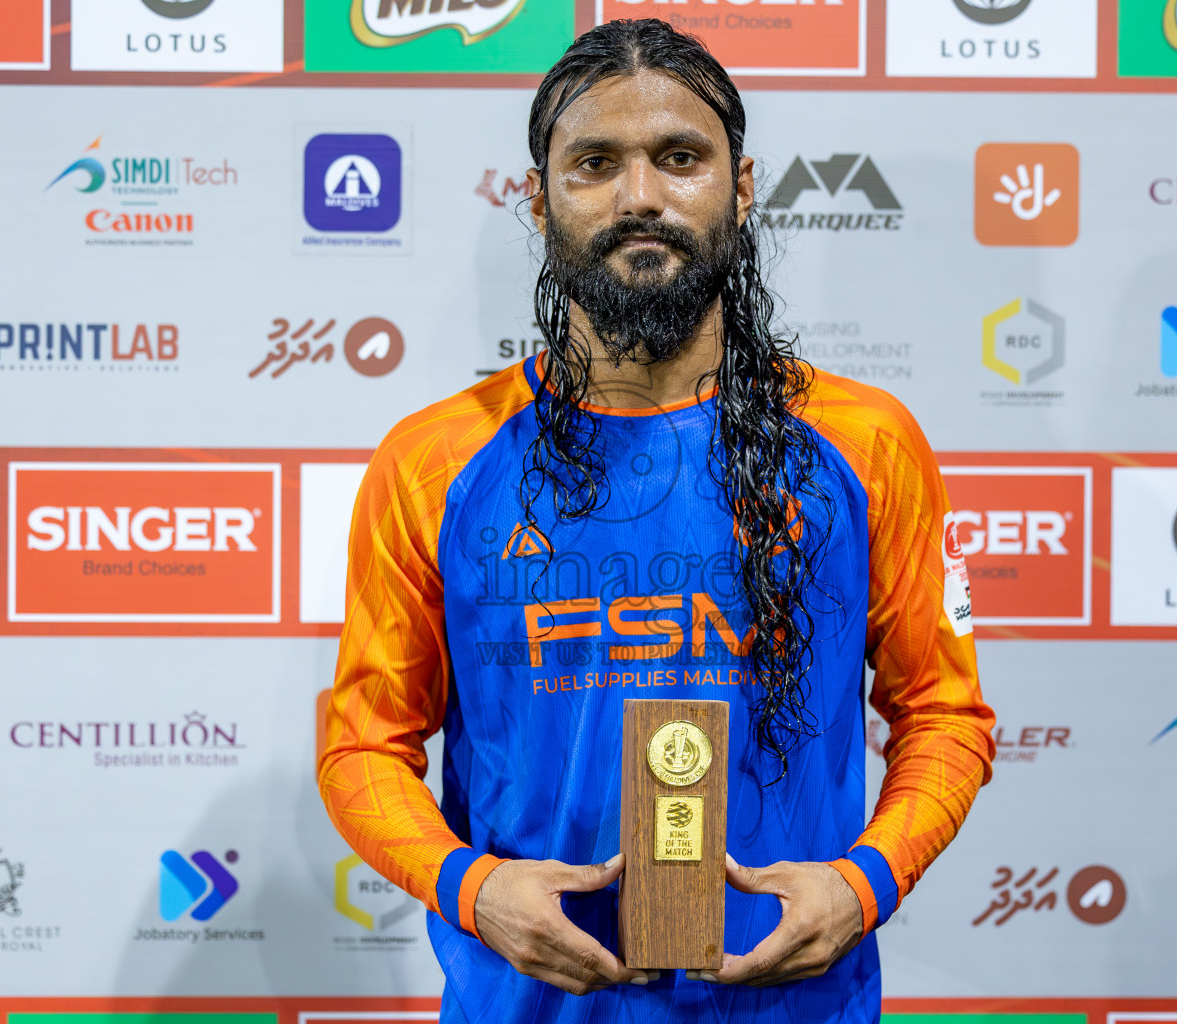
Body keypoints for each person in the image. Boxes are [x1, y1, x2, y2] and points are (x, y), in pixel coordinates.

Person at [318, 19, 995, 1024]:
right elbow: (363, 744)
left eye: (680, 157)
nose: (641, 196)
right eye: (596, 163)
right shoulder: (433, 461)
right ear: (539, 199)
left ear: (744, 185)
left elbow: (945, 713)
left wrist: (863, 886)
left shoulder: (867, 443)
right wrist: (472, 888)